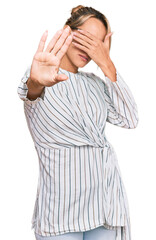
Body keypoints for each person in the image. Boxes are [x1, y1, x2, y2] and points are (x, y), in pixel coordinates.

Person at [17, 5, 139, 240]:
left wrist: (107, 64)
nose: (89, 48)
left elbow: (129, 118)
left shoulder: (95, 83)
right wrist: (35, 81)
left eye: (98, 43)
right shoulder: (40, 75)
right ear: (66, 32)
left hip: (105, 203)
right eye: (85, 38)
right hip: (61, 209)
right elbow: (30, 92)